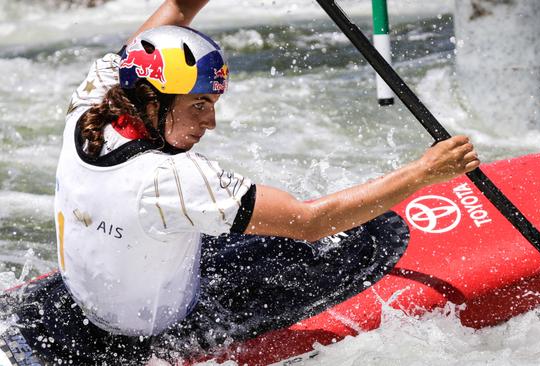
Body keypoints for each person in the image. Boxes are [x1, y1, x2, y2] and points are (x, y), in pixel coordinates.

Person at [4, 0, 479, 364]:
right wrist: (424, 172)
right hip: (156, 327)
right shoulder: (172, 179)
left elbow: (176, 12)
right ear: (152, 101)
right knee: (358, 238)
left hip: (92, 297)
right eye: (198, 105)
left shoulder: (96, 97)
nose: (210, 122)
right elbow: (310, 222)